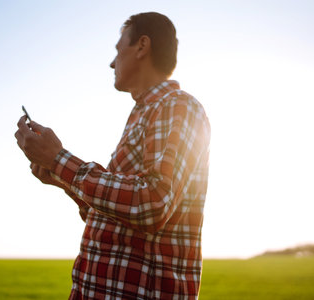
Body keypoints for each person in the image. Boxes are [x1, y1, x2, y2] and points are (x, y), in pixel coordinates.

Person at [15, 12, 210, 300]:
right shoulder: (145, 113)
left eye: (118, 50)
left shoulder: (176, 106)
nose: (111, 62)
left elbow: (153, 203)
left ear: (142, 46)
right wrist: (60, 178)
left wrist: (59, 160)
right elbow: (118, 221)